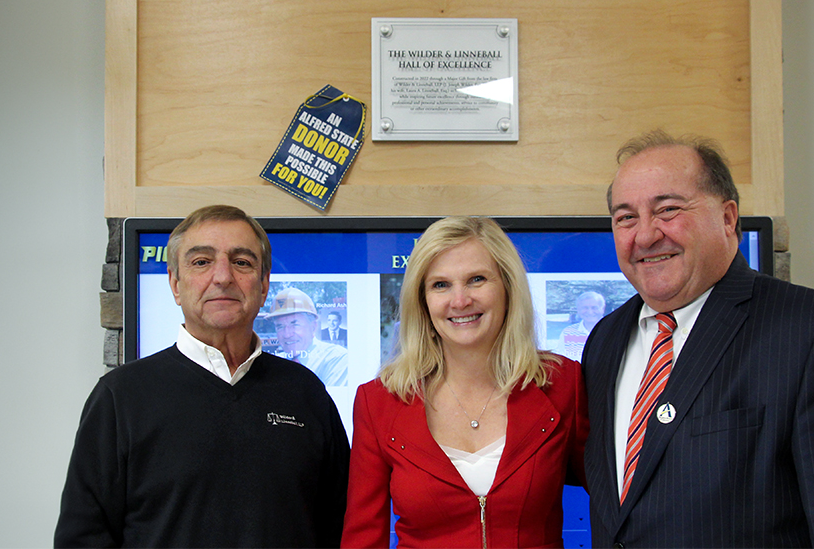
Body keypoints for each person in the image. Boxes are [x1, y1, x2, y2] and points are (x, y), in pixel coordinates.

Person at [582, 130, 814, 547]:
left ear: (728, 217)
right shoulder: (605, 341)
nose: (644, 236)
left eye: (668, 210)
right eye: (626, 217)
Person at [55, 205, 349, 548]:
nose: (223, 276)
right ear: (175, 284)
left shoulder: (306, 392)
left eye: (241, 262)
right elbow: (82, 538)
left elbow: (340, 528)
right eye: (201, 262)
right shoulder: (120, 397)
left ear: (264, 285)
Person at [342, 216, 589, 548]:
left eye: (476, 279)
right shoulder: (378, 402)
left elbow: (616, 500)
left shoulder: (563, 384)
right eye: (440, 285)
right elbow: (362, 537)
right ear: (423, 301)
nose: (460, 301)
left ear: (507, 287)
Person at [267, 287, 348, 386]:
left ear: (313, 326)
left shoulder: (336, 358)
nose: (287, 334)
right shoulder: (273, 364)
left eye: (295, 324)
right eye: (280, 326)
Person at [559, 291, 606, 359]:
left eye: (594, 308)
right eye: (585, 308)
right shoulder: (567, 333)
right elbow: (561, 360)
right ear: (578, 309)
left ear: (602, 309)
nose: (590, 312)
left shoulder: (614, 331)